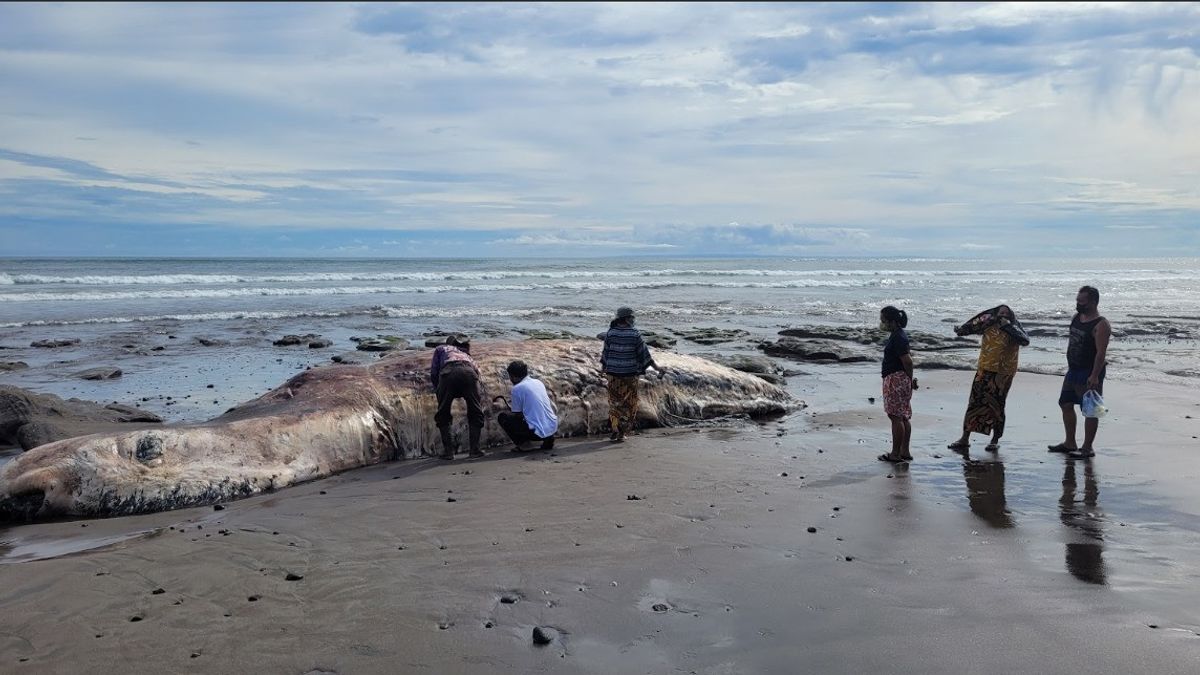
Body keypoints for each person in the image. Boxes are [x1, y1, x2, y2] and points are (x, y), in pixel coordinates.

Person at [947, 305, 1030, 454]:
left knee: (997, 405)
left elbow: (1025, 340)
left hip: (1003, 373)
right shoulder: (988, 323)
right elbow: (972, 326)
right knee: (975, 402)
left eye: (1006, 313)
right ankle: (964, 438)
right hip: (985, 368)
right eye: (1000, 313)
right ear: (995, 314)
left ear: (1011, 316)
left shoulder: (1015, 327)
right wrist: (960, 330)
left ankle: (995, 440)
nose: (1003, 315)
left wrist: (1007, 326)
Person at [1048, 286, 1110, 459]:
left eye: (1081, 301)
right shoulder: (1077, 317)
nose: (1078, 304)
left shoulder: (1101, 325)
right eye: (1077, 300)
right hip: (1073, 370)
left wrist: (1095, 375)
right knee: (1065, 403)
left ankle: (1087, 447)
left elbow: (1101, 353)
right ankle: (1070, 443)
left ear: (1093, 302)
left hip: (1089, 372)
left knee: (1090, 409)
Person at [600, 306, 663, 443]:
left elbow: (605, 354)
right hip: (630, 374)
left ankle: (615, 429)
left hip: (613, 374)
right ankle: (622, 433)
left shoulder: (610, 333)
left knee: (615, 402)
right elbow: (644, 355)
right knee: (629, 403)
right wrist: (657, 368)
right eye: (632, 317)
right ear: (627, 319)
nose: (633, 320)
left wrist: (603, 368)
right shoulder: (635, 334)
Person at [429, 334, 486, 460]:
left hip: (448, 373)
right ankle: (474, 450)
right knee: (475, 412)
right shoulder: (467, 355)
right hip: (468, 373)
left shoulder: (441, 349)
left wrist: (438, 389)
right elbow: (478, 373)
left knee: (443, 413)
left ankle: (448, 452)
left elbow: (434, 371)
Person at [878, 305, 917, 464]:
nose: (881, 324)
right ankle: (904, 451)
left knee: (895, 417)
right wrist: (908, 380)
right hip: (899, 379)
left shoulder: (898, 338)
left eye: (883, 321)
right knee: (902, 416)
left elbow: (907, 361)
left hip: (896, 380)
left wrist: (909, 379)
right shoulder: (898, 335)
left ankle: (895, 454)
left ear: (892, 321)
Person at [496, 360, 559, 452]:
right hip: (552, 428)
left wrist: (511, 410)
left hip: (536, 434)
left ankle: (524, 444)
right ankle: (548, 439)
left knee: (503, 417)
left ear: (513, 376)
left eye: (510, 376)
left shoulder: (517, 389)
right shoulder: (538, 382)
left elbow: (517, 415)